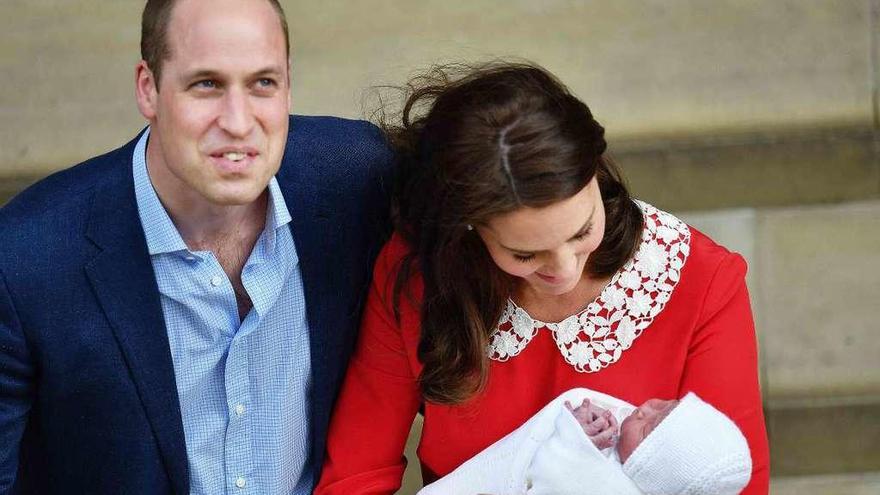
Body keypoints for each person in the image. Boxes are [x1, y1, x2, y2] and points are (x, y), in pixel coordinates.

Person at [314, 62, 769, 494]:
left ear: (595, 172)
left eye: (582, 230)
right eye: (525, 253)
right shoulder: (420, 277)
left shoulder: (703, 280)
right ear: (468, 230)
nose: (564, 269)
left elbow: (729, 481)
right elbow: (358, 473)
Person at [0, 0, 390, 493]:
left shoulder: (358, 180)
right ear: (148, 88)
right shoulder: (26, 257)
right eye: (206, 84)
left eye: (262, 83)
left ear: (288, 83)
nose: (237, 121)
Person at [417, 388, 752, 495]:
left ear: (647, 470)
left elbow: (548, 478)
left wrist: (573, 436)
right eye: (665, 405)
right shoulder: (618, 437)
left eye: (650, 427)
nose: (646, 408)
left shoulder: (606, 485)